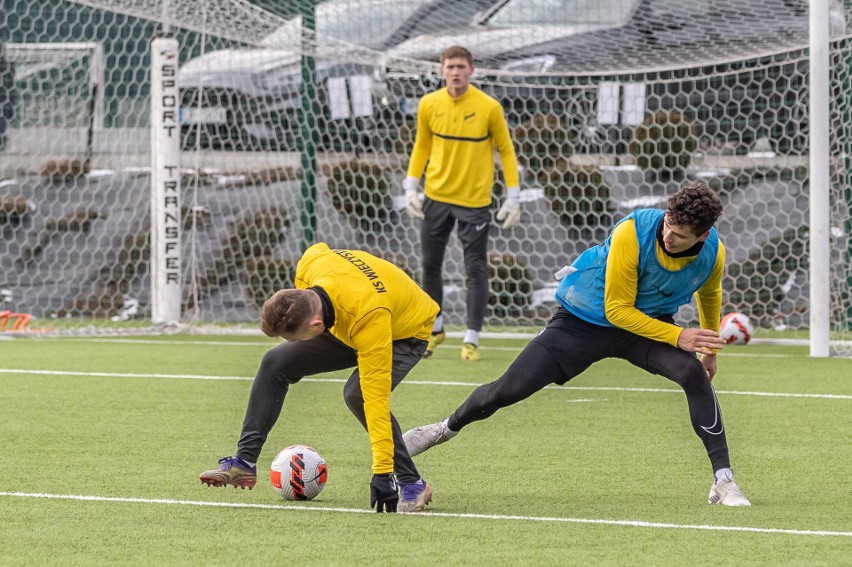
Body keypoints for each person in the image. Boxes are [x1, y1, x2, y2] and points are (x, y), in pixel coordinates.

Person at [403, 181, 752, 506]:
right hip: (584, 320)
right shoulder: (634, 232)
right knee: (507, 390)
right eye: (667, 227)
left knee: (692, 374)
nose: (669, 236)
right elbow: (617, 310)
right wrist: (679, 335)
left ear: (703, 235)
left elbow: (709, 290)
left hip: (645, 327)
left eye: (679, 235)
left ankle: (724, 481)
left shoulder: (713, 253)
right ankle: (442, 429)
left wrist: (707, 348)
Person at [200, 242, 440, 513]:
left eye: (292, 336)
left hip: (403, 332)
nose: (291, 342)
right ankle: (244, 463)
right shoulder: (310, 265)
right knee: (275, 361)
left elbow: (376, 401)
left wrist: (382, 472)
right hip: (348, 315)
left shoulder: (370, 318)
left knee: (358, 395)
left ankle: (412, 483)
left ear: (315, 326)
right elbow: (319, 248)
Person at [403, 45, 521, 362]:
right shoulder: (429, 104)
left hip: (474, 201)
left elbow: (506, 151)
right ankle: (436, 328)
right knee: (429, 265)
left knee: (475, 268)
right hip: (436, 197)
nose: (455, 72)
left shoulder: (489, 107)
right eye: (450, 66)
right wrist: (411, 186)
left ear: (472, 71)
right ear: (441, 71)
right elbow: (422, 145)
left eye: (461, 67)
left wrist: (513, 195)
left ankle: (471, 339)